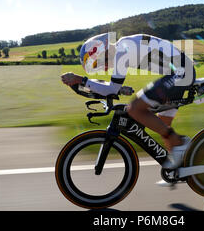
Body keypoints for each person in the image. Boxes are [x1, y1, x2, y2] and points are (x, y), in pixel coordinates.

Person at [61, 33, 195, 171]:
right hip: (180, 73)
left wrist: (81, 80)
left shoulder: (122, 50)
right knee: (161, 124)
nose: (104, 68)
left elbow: (111, 89)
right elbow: (112, 87)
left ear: (103, 51)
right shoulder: (123, 46)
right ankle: (180, 169)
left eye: (99, 63)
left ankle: (180, 143)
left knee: (135, 109)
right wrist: (86, 84)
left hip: (182, 73)